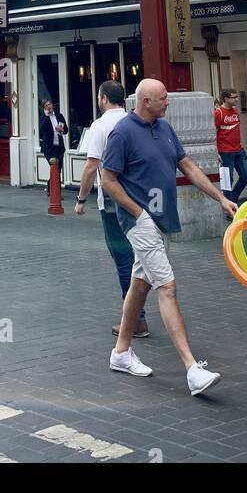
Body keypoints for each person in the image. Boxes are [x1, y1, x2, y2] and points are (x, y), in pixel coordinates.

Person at [102, 79, 236, 394]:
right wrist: (137, 212)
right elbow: (107, 179)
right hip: (141, 221)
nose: (168, 102)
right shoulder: (122, 132)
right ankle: (192, 369)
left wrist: (220, 198)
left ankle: (121, 352)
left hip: (161, 218)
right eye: (163, 98)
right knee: (168, 286)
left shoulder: (164, 128)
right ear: (146, 101)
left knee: (141, 282)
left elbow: (187, 165)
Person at [75, 82, 148, 339]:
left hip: (113, 199)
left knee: (123, 258)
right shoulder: (134, 121)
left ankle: (136, 319)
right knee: (137, 254)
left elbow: (91, 166)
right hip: (139, 196)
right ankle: (137, 316)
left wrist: (81, 198)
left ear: (103, 99)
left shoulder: (101, 125)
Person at [214, 89, 247, 204]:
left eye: (237, 97)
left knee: (245, 177)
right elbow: (214, 133)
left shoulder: (235, 111)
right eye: (233, 97)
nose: (237, 99)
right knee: (227, 181)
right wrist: (216, 152)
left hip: (238, 150)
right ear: (226, 99)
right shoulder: (219, 113)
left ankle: (231, 201)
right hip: (225, 152)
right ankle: (230, 209)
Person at [39, 97, 67, 190]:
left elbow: (66, 130)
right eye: (46, 106)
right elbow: (41, 130)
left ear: (52, 105)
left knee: (57, 170)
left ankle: (50, 188)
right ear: (44, 108)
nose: (49, 106)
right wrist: (47, 117)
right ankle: (56, 192)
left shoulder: (59, 116)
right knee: (54, 168)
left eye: (49, 104)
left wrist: (62, 129)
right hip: (49, 148)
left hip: (59, 147)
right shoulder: (43, 118)